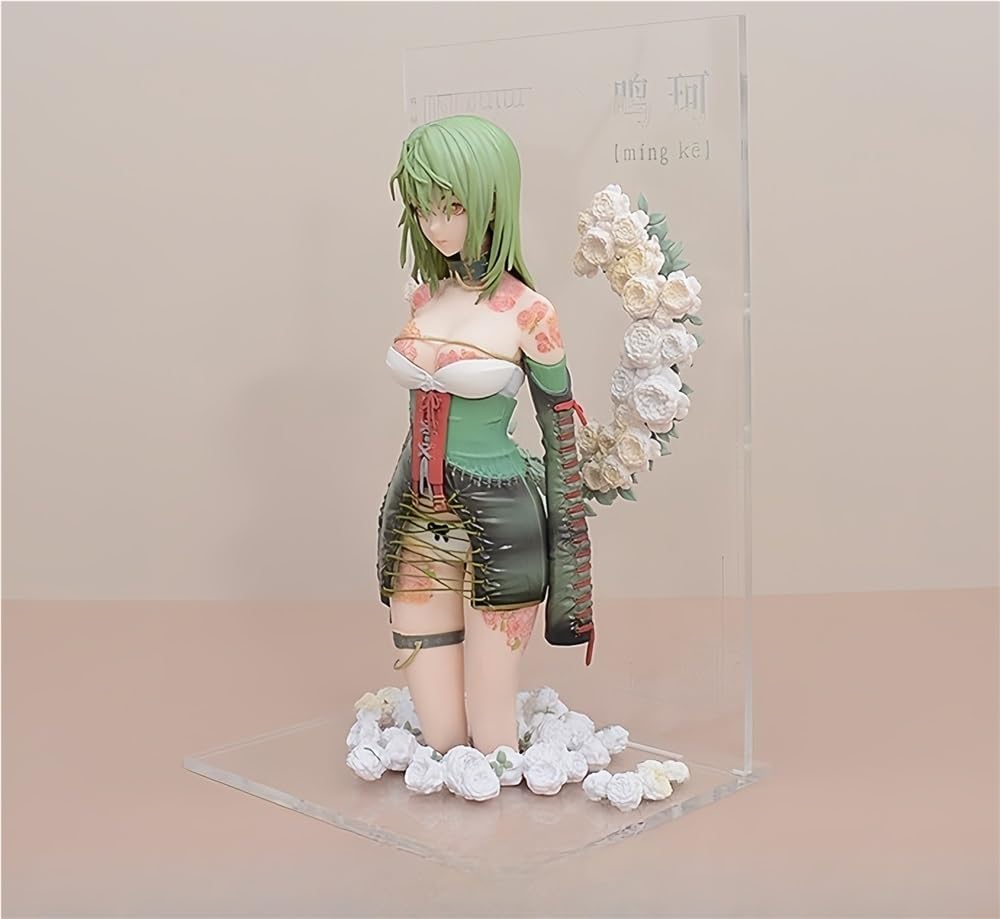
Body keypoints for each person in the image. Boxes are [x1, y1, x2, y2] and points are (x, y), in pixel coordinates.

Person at [377, 114, 594, 756]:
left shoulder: (532, 313)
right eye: (423, 208)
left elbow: (560, 441)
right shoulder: (423, 299)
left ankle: (500, 790)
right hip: (415, 515)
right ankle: (448, 778)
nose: (435, 225)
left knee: (494, 719)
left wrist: (571, 565)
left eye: (451, 207)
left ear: (492, 201)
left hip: (502, 522)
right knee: (438, 724)